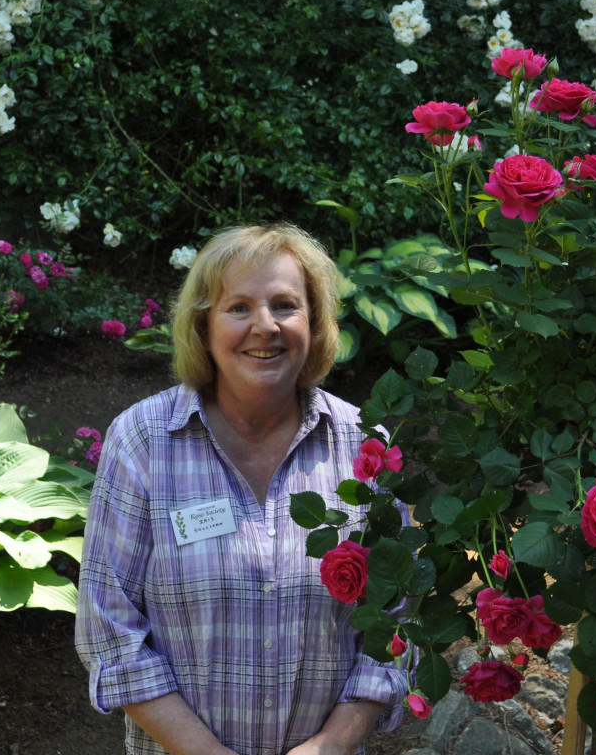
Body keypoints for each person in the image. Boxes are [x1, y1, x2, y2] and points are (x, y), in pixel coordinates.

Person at [75, 224, 406, 755]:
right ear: (203, 326)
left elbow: (395, 618)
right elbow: (109, 631)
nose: (265, 327)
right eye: (239, 308)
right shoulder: (142, 441)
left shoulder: (363, 448)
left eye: (285, 305)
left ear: (315, 322)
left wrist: (333, 744)